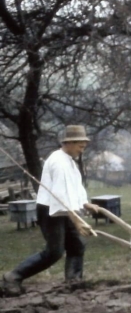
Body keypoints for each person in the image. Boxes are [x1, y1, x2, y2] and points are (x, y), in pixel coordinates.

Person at [2, 125, 99, 295]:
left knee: (77, 246)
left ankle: (74, 282)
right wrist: (77, 222)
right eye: (80, 146)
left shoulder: (70, 161)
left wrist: (85, 203)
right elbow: (61, 196)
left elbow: (75, 187)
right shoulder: (58, 162)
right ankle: (13, 277)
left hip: (66, 209)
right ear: (69, 143)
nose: (82, 150)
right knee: (54, 252)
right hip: (50, 211)